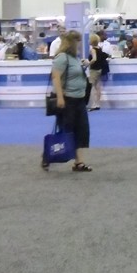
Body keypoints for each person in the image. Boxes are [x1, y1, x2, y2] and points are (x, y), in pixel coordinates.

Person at [45, 29, 92, 172]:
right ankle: (47, 156)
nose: (80, 44)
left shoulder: (75, 58)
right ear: (71, 42)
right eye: (77, 41)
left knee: (81, 130)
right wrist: (60, 97)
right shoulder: (62, 57)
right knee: (66, 130)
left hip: (79, 100)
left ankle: (79, 162)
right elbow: (56, 77)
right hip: (68, 100)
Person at [87, 34, 108, 111]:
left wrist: (88, 63)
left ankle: (93, 104)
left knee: (92, 86)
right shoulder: (99, 48)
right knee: (98, 87)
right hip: (100, 69)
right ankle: (98, 103)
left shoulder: (92, 50)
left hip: (94, 69)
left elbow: (94, 59)